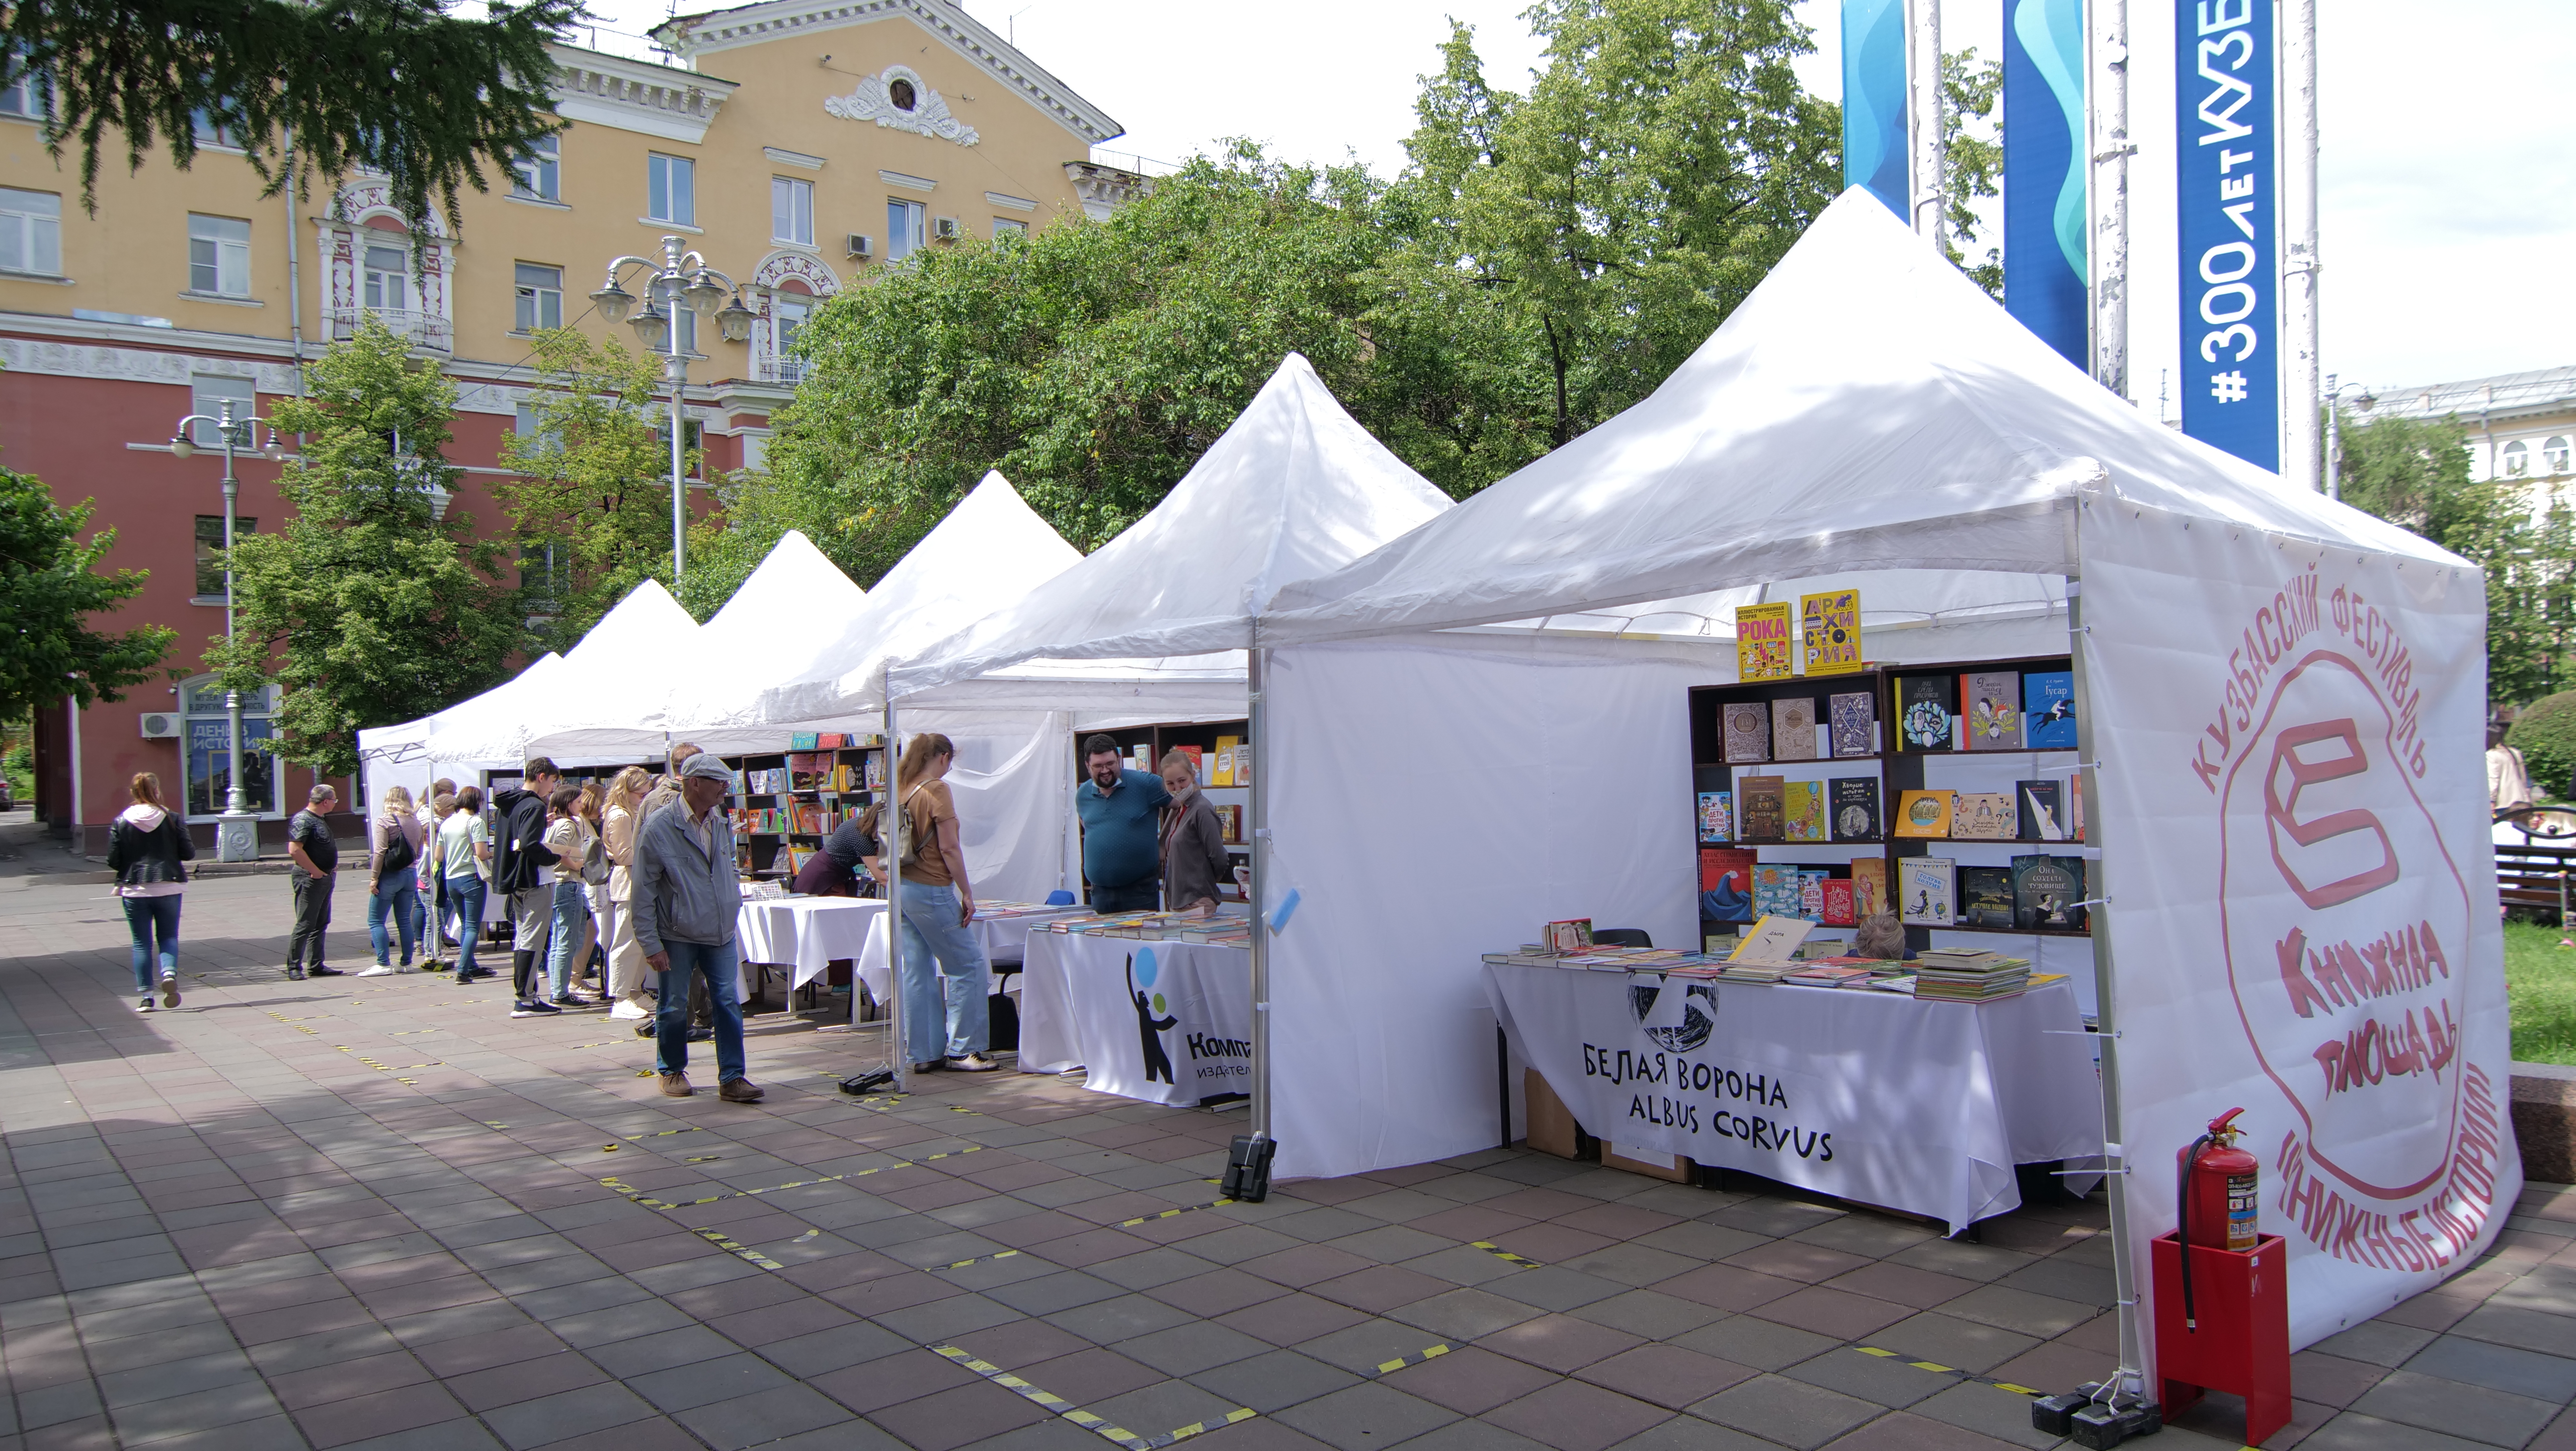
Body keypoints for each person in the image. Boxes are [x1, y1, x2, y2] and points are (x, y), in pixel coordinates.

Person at [632, 752, 763, 1102]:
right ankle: (671, 1069)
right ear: (694, 783)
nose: (725, 788)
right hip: (677, 932)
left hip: (720, 930)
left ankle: (733, 1077)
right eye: (718, 782)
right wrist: (650, 944)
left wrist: (732, 902)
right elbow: (642, 890)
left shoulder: (718, 819)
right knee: (675, 1004)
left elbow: (725, 869)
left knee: (728, 1002)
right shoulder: (660, 826)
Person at [890, 733, 996, 1073]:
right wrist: (967, 892)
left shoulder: (901, 790)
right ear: (941, 757)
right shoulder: (936, 790)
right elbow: (950, 848)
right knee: (967, 965)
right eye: (949, 761)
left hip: (904, 887)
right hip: (933, 888)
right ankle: (965, 1049)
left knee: (917, 971)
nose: (949, 769)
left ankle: (923, 1052)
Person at [107, 772, 191, 1011]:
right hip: (169, 885)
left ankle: (146, 997)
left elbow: (113, 859)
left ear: (133, 792)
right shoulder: (172, 818)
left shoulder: (121, 821)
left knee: (141, 943)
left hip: (135, 889)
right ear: (157, 790)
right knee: (168, 937)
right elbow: (188, 853)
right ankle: (169, 974)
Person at [490, 758, 563, 1014]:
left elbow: (519, 837)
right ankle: (525, 998)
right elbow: (530, 844)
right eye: (553, 781)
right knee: (532, 939)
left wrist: (542, 823)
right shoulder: (533, 804)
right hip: (535, 878)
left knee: (523, 937)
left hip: (515, 878)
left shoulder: (510, 803)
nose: (552, 788)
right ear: (541, 777)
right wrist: (556, 857)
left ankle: (528, 996)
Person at [1074, 735, 1170, 913]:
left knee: (1142, 941)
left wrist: (1164, 841)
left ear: (1119, 759)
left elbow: (1183, 803)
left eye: (1110, 763)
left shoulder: (1146, 784)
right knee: (1103, 942)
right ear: (1087, 766)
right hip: (1100, 894)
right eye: (1098, 766)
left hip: (1139, 892)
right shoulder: (1083, 794)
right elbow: (1088, 825)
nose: (1105, 770)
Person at [533, 785, 597, 1013]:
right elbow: (558, 852)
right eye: (579, 802)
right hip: (567, 884)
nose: (582, 806)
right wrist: (579, 866)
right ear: (569, 803)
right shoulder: (567, 824)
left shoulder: (560, 823)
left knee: (563, 939)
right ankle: (560, 991)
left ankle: (559, 989)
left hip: (561, 885)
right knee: (566, 940)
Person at [601, 766, 653, 1019]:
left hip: (636, 882)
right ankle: (621, 997)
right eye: (640, 794)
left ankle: (633, 991)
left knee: (641, 942)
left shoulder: (628, 811)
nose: (643, 798)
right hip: (628, 883)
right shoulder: (621, 815)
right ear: (626, 791)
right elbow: (623, 855)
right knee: (627, 941)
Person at [362, 784, 427, 976]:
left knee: (376, 920)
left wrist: (374, 877)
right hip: (410, 874)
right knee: (404, 921)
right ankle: (406, 963)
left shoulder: (386, 821)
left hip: (390, 875)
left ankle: (383, 963)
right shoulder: (415, 822)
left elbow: (380, 852)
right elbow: (419, 852)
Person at [1158, 749, 1231, 918]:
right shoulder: (1180, 809)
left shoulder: (1202, 810)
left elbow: (1219, 858)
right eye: (1170, 784)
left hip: (1197, 902)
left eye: (1182, 781)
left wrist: (1203, 882)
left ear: (1193, 775)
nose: (1177, 788)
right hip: (1179, 901)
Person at [285, 783, 343, 979]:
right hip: (310, 878)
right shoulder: (304, 819)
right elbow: (294, 850)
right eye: (334, 800)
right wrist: (315, 871)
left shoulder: (319, 819)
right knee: (306, 923)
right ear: (326, 801)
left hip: (324, 876)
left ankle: (316, 964)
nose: (335, 804)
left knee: (321, 922)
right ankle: (294, 966)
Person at [438, 786, 494, 981]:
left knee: (464, 923)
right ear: (477, 802)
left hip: (451, 879)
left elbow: (438, 855)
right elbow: (481, 853)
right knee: (472, 927)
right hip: (471, 877)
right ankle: (463, 970)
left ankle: (471, 965)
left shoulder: (447, 823)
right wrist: (493, 854)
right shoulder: (475, 822)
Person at [419, 777, 456, 968]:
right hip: (429, 888)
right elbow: (424, 873)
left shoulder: (430, 850)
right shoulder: (427, 851)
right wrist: (429, 886)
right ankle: (431, 953)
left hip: (432, 886)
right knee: (433, 920)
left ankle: (434, 952)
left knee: (436, 920)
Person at [2492, 724, 2534, 813]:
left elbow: (2493, 779)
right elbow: (2525, 778)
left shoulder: (2491, 755)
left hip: (2503, 802)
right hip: (2522, 799)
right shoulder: (2515, 752)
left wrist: (2491, 800)